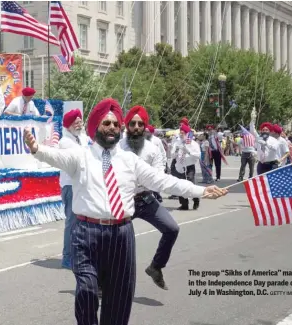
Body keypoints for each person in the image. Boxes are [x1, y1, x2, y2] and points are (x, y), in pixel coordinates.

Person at [24, 98, 226, 325]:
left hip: (121, 235)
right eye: (106, 123)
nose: (111, 127)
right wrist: (36, 149)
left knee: (119, 299)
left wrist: (200, 190)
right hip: (86, 234)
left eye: (115, 124)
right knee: (88, 291)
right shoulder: (81, 156)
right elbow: (56, 156)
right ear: (96, 127)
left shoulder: (130, 160)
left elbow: (162, 181)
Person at [119, 106, 179, 290]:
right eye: (133, 123)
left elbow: (159, 176)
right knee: (112, 240)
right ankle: (101, 282)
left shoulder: (153, 149)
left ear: (145, 126)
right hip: (123, 200)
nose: (136, 127)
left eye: (140, 124)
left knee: (172, 229)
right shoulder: (117, 146)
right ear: (127, 126)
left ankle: (156, 267)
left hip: (146, 199)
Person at [57, 109, 90, 270]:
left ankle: (78, 253)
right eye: (75, 122)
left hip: (82, 184)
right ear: (68, 126)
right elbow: (81, 157)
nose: (79, 124)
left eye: (80, 121)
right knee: (71, 222)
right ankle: (67, 257)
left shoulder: (82, 138)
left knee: (82, 222)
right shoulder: (65, 142)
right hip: (70, 186)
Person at [172, 124, 202, 210]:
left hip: (189, 167)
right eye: (180, 133)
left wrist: (188, 151)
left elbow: (198, 155)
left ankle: (196, 199)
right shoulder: (177, 143)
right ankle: (184, 204)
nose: (181, 134)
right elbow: (172, 156)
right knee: (180, 185)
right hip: (180, 166)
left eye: (183, 133)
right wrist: (176, 151)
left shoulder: (193, 143)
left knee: (190, 185)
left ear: (186, 133)